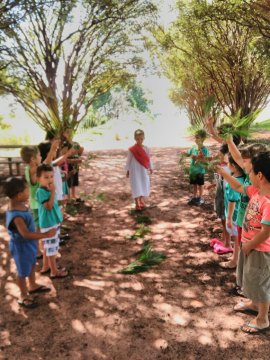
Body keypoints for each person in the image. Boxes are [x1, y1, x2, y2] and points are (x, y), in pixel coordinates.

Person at [217, 152, 270, 334]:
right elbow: (239, 186)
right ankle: (254, 304)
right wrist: (224, 174)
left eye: (251, 172)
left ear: (260, 176)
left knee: (260, 283)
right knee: (251, 279)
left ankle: (262, 318)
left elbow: (266, 231)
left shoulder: (268, 201)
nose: (249, 175)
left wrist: (248, 245)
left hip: (259, 250)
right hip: (250, 246)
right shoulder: (257, 191)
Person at [4, 177, 55, 308]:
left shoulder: (20, 205)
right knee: (22, 272)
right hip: (21, 247)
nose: (29, 193)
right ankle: (23, 295)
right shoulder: (16, 215)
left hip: (30, 244)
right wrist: (45, 235)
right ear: (19, 195)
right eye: (27, 190)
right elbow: (25, 234)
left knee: (32, 264)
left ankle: (32, 285)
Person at [36, 163, 68, 279]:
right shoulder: (41, 191)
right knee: (51, 248)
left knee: (47, 246)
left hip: (53, 221)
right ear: (38, 178)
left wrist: (61, 206)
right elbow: (48, 206)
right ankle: (54, 271)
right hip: (48, 224)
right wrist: (53, 192)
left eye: (51, 176)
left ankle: (45, 266)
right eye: (46, 177)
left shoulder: (48, 190)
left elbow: (53, 204)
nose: (49, 179)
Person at [218, 154, 245, 267]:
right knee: (237, 238)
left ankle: (235, 261)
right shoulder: (243, 179)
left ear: (233, 166)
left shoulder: (233, 182)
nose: (227, 165)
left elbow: (232, 201)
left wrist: (228, 217)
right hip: (238, 214)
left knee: (237, 239)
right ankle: (235, 256)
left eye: (228, 163)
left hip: (234, 215)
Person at [126, 129, 153, 210]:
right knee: (136, 185)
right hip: (134, 170)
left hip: (143, 169)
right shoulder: (132, 149)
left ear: (144, 138)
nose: (139, 140)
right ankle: (137, 203)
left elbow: (148, 159)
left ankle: (141, 200)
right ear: (135, 138)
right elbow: (128, 160)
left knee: (143, 183)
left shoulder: (146, 148)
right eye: (138, 139)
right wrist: (128, 171)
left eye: (141, 138)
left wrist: (150, 167)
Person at [186, 129, 210, 205]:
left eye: (198, 138)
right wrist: (188, 155)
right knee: (194, 184)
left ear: (202, 139)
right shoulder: (193, 147)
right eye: (195, 138)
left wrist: (198, 158)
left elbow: (206, 160)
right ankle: (194, 197)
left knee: (200, 185)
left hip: (200, 170)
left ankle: (200, 197)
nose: (196, 140)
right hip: (193, 170)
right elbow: (188, 154)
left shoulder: (205, 149)